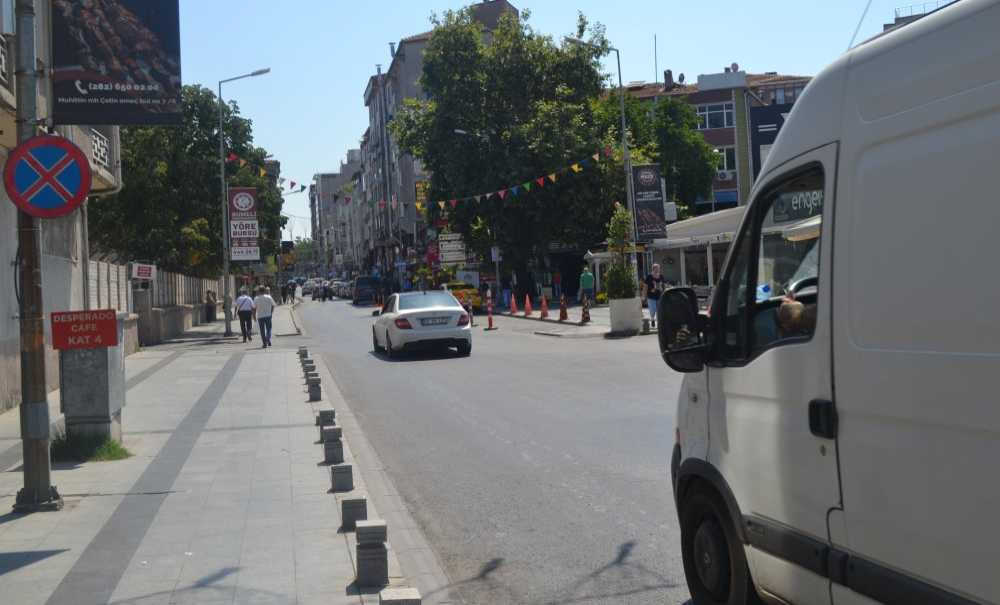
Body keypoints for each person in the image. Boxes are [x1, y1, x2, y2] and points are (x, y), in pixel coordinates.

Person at [641, 263, 666, 327]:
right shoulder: (649, 276)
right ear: (653, 269)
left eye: (658, 268)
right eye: (656, 268)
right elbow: (645, 286)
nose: (658, 270)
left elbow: (664, 286)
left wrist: (664, 292)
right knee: (652, 310)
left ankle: (659, 323)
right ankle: (652, 319)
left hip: (659, 296)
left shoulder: (661, 276)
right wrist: (643, 296)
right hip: (651, 296)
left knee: (659, 310)